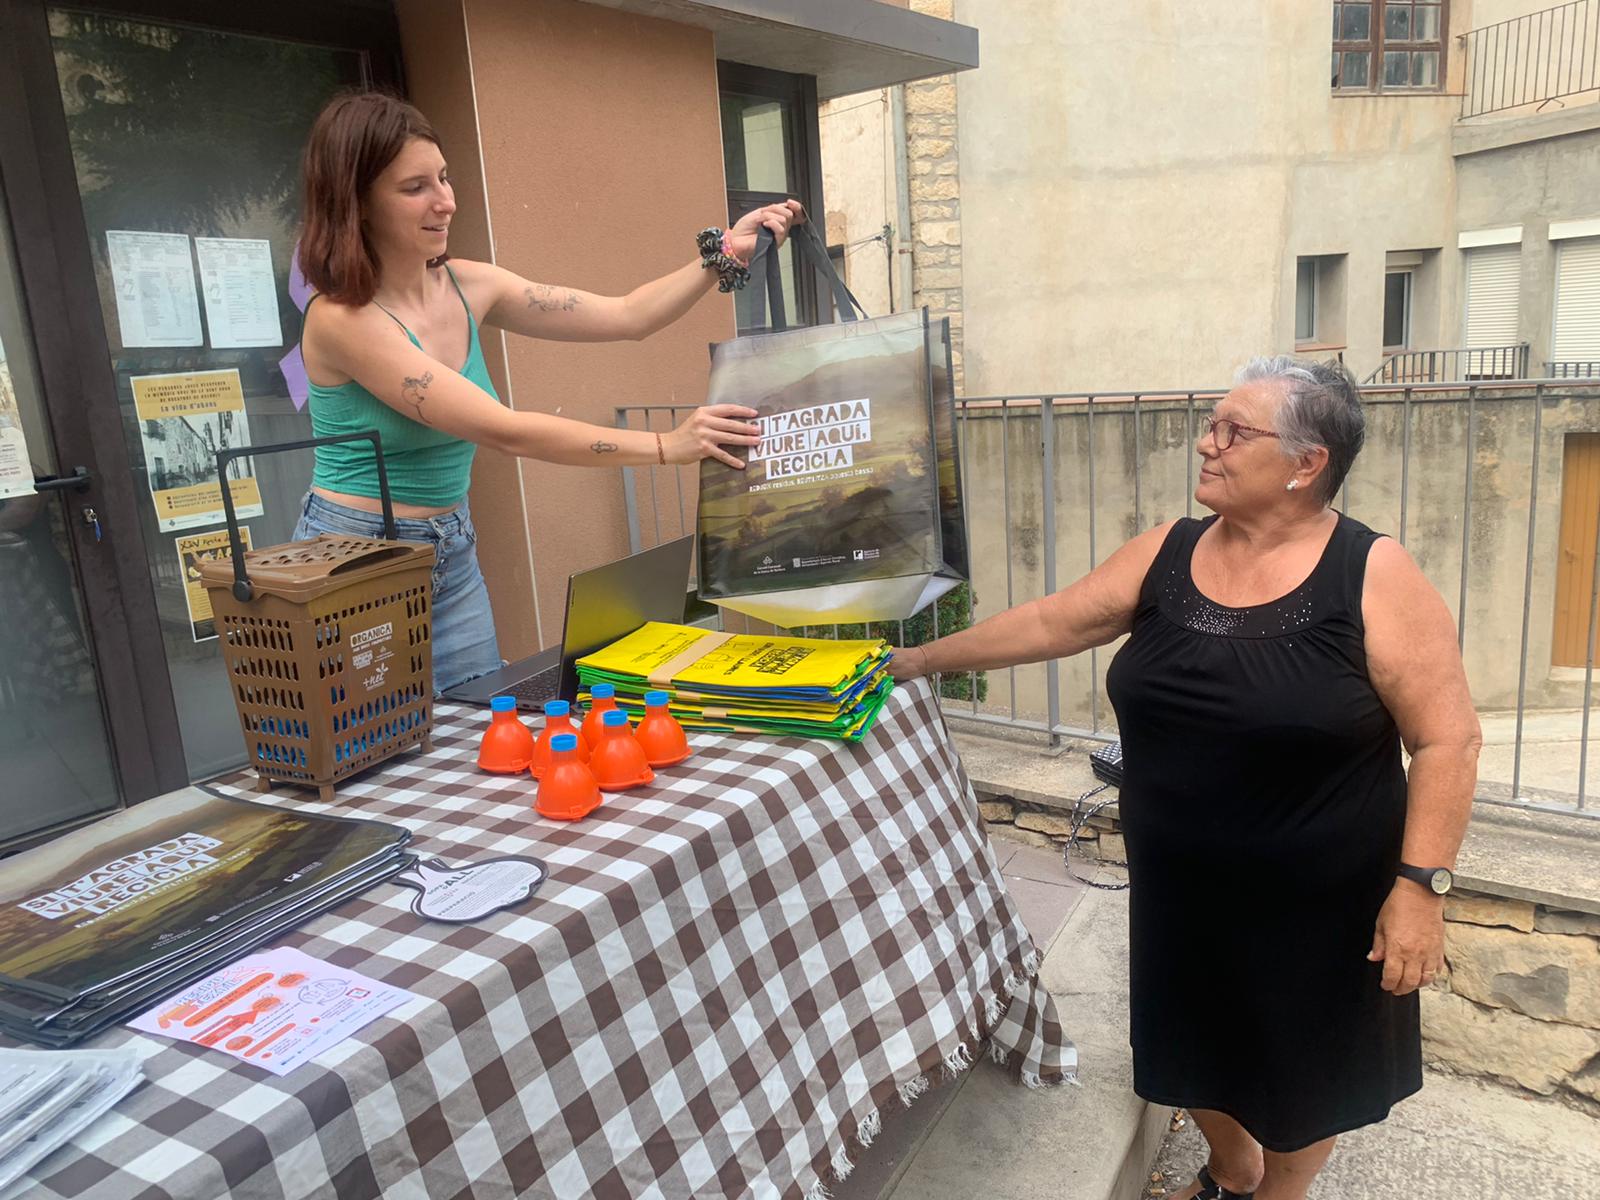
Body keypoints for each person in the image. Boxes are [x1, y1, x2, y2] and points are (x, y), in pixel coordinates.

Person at [890, 358, 1480, 1200]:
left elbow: (1449, 739)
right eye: (1212, 423)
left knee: (1307, 1068)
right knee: (1191, 1044)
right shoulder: (1169, 551)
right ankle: (1232, 1171)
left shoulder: (1373, 573)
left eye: (1235, 431)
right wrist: (916, 661)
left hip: (1322, 897)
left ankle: (1279, 1192)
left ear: (1306, 464)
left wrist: (1421, 887)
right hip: (1183, 886)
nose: (1208, 443)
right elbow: (1057, 619)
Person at [293, 91, 802, 691]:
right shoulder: (342, 319)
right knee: (365, 757)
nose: (446, 202)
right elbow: (503, 429)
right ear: (356, 203)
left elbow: (625, 315)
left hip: (450, 548)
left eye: (445, 178)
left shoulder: (468, 284)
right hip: (355, 559)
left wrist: (722, 256)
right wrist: (665, 446)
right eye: (415, 188)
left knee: (477, 734)